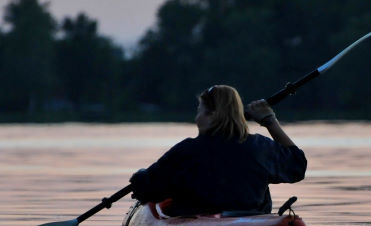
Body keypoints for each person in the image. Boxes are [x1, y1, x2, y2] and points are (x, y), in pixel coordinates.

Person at [129, 85, 306, 216]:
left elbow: (146, 190)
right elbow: (297, 166)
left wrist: (140, 176)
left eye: (200, 110)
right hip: (250, 223)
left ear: (212, 115)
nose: (196, 118)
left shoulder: (187, 150)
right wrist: (269, 120)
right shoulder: (261, 146)